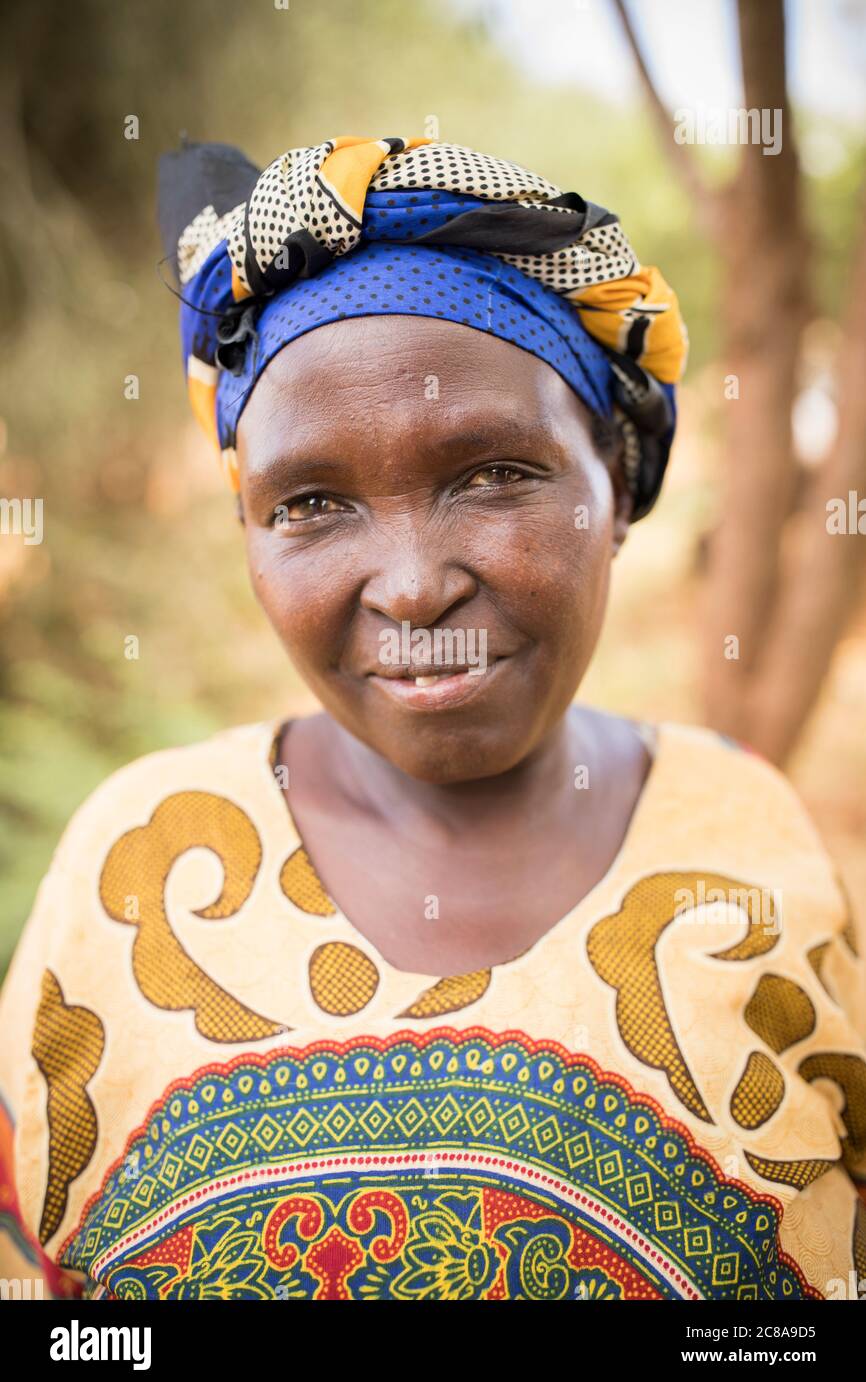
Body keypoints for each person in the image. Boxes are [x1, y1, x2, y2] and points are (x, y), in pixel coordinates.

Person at [0, 135, 863, 1302]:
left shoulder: (749, 834)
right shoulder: (126, 863)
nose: (410, 586)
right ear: (248, 533)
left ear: (614, 486)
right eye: (310, 502)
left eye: (493, 474)